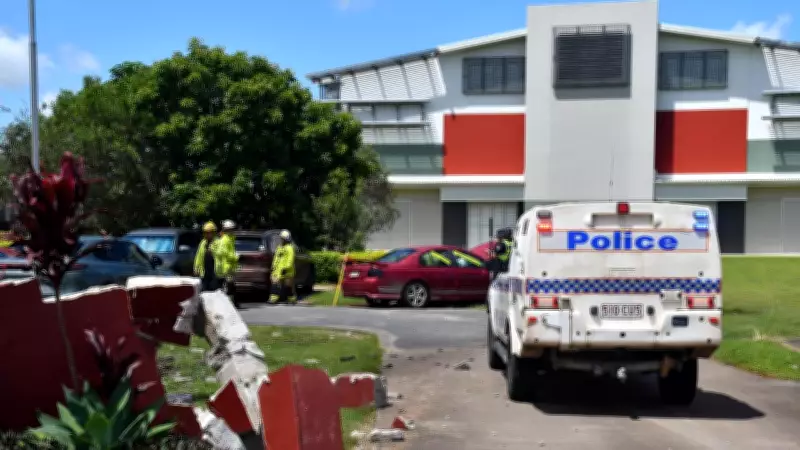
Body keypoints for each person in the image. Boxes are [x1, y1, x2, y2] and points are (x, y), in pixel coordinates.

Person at [269, 229, 296, 304]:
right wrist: (273, 267)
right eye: (281, 238)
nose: (281, 239)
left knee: (288, 286)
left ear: (286, 239)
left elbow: (290, 260)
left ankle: (292, 299)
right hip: (278, 270)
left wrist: (286, 268)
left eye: (282, 238)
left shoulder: (290, 248)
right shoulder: (279, 247)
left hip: (287, 270)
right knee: (275, 284)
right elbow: (276, 258)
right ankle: (273, 299)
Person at [218, 220, 240, 307]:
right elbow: (223, 253)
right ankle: (230, 303)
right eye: (230, 229)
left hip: (231, 266)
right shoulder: (224, 240)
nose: (232, 231)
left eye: (232, 229)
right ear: (226, 230)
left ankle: (233, 302)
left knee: (231, 285)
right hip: (226, 267)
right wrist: (236, 257)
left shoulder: (231, 239)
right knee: (229, 286)